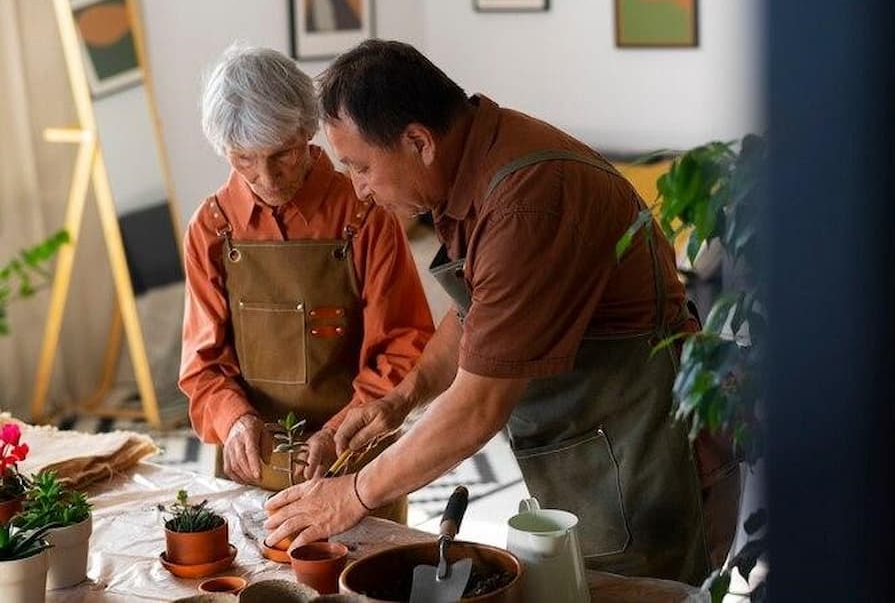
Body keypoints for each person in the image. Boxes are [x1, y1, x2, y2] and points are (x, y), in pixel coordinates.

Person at [264, 39, 738, 582]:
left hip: (647, 452)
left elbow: (477, 406)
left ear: (418, 141)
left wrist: (350, 495)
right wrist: (400, 400)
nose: (361, 191)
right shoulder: (475, 160)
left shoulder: (525, 201)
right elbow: (477, 311)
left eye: (361, 168)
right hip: (595, 451)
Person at [179, 44, 434, 524]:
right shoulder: (212, 226)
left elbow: (404, 344)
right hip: (253, 464)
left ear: (308, 130)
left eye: (283, 155)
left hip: (354, 458)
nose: (266, 178)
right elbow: (203, 365)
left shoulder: (364, 212)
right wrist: (235, 422)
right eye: (243, 160)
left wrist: (340, 430)